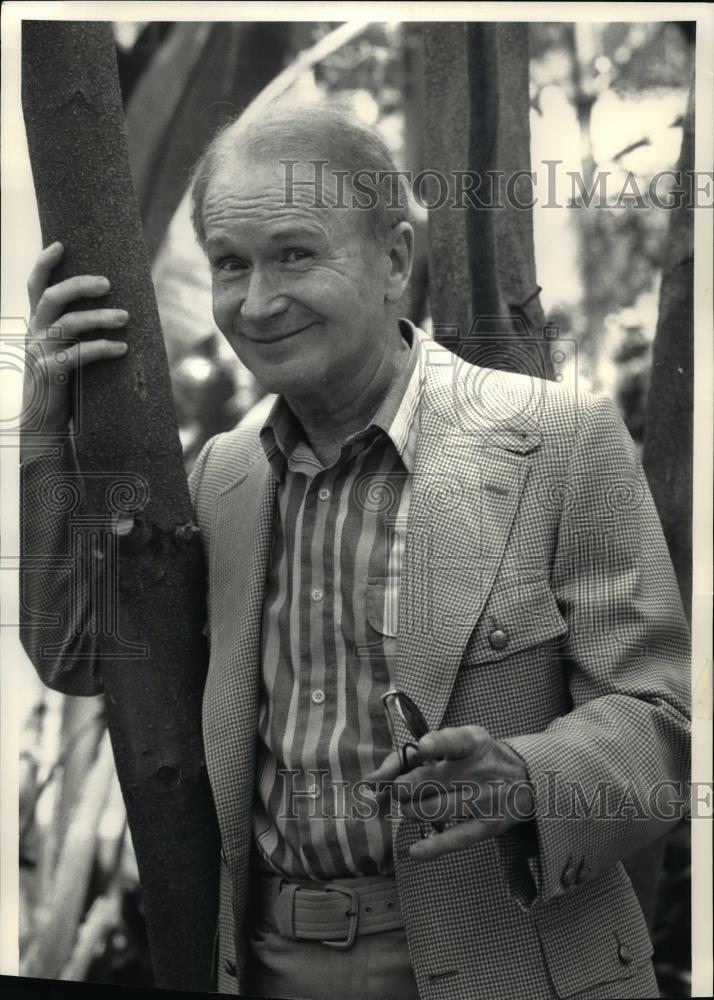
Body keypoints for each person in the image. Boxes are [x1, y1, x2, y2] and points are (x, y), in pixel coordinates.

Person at [20, 104, 690, 1000]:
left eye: (295, 253)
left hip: (516, 964)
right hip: (265, 962)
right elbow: (77, 654)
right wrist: (40, 436)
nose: (257, 302)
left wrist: (528, 776)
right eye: (230, 264)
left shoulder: (557, 441)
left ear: (396, 262)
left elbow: (665, 719)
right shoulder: (222, 477)